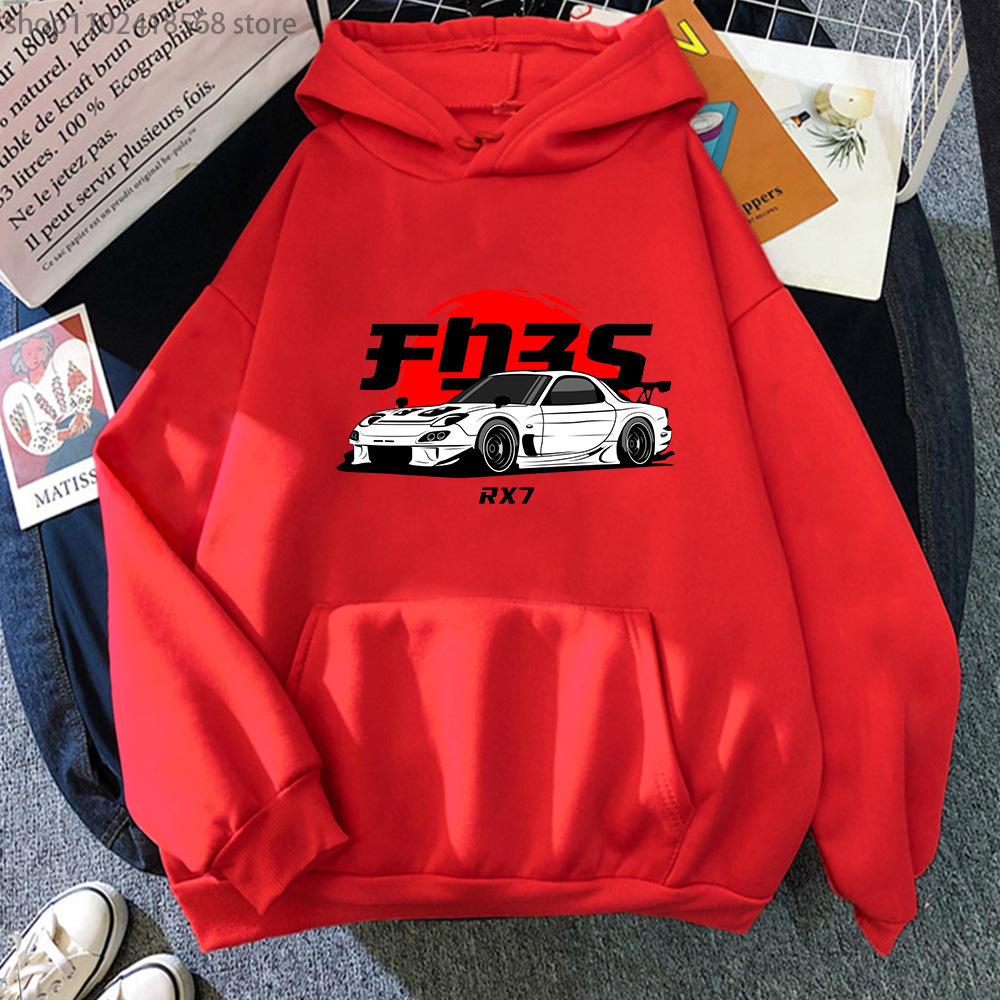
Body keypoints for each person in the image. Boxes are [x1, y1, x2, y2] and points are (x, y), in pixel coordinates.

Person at [3, 330, 108, 477]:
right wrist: (63, 434)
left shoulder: (59, 363)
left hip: (86, 422)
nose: (35, 357)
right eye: (29, 353)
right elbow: (28, 436)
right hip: (60, 443)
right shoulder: (18, 392)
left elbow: (79, 380)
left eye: (39, 349)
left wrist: (80, 415)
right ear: (20, 357)